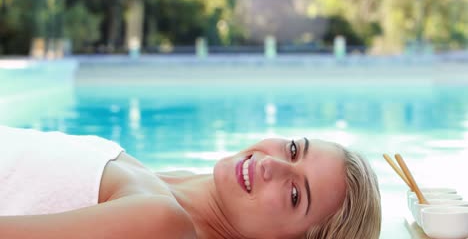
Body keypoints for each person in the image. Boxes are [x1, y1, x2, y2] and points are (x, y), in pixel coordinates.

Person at [0, 126, 381, 239]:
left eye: (295, 194)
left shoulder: (164, 223)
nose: (273, 165)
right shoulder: (177, 186)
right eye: (295, 149)